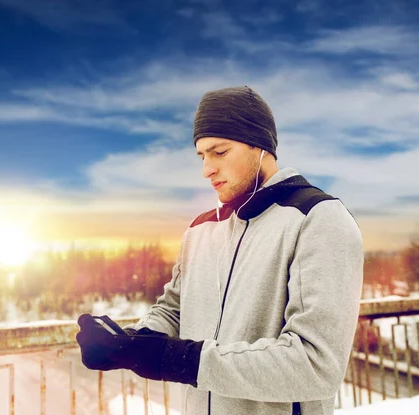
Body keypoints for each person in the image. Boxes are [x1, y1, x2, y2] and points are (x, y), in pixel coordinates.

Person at [76, 86, 364, 415]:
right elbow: (174, 310)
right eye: (202, 156)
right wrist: (128, 344)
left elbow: (315, 364)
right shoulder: (200, 230)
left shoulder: (318, 219)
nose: (206, 169)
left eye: (220, 152)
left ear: (261, 145)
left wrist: (176, 360)